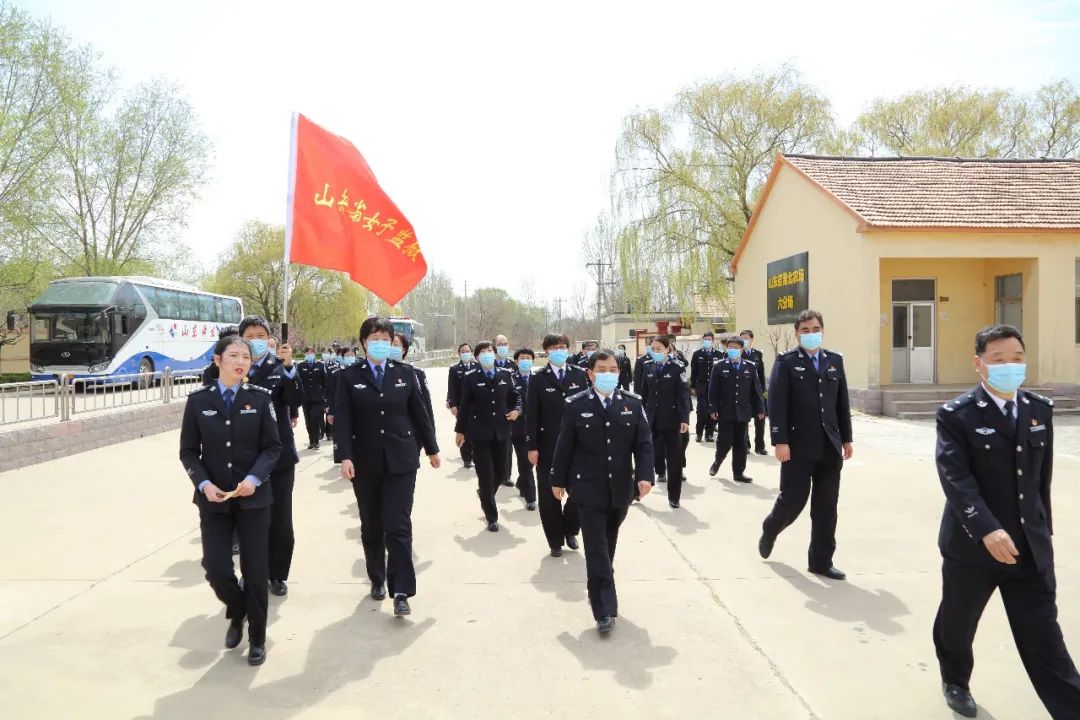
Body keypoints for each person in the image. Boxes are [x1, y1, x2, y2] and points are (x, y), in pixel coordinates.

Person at [932, 324, 1080, 719]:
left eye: (1016, 358)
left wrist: (1042, 533)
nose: (1009, 367)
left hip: (1028, 550)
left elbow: (1038, 481)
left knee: (1045, 639)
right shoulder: (956, 415)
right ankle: (955, 681)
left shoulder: (1038, 410)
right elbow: (955, 479)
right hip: (972, 548)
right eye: (998, 360)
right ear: (979, 364)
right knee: (957, 625)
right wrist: (986, 528)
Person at [179, 335, 282, 666]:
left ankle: (257, 638)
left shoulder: (260, 398)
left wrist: (254, 479)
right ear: (217, 359)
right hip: (214, 500)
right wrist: (204, 483)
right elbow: (189, 452)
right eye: (234, 355)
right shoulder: (198, 401)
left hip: (254, 500)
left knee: (255, 570)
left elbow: (272, 447)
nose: (241, 362)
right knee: (217, 568)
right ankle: (237, 611)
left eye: (246, 357)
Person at [335, 317, 441, 617]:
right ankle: (377, 577)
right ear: (364, 343)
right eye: (374, 337)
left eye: (385, 337)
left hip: (402, 459)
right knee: (372, 525)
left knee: (398, 523)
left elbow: (420, 414)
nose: (380, 342)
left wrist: (432, 449)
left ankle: (402, 590)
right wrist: (344, 456)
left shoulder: (405, 374)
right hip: (364, 461)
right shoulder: (349, 377)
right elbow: (342, 420)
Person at [551, 350, 654, 634]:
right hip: (586, 489)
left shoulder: (632, 405)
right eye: (601, 369)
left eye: (613, 369)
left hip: (620, 490)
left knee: (607, 548)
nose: (607, 373)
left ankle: (602, 589)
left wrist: (646, 476)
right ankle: (604, 610)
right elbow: (564, 446)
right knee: (596, 550)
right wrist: (556, 480)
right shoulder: (575, 405)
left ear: (619, 373)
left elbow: (643, 443)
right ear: (591, 373)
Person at [758, 309, 852, 581]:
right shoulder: (786, 362)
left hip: (829, 447)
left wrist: (846, 438)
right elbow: (776, 404)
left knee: (826, 508)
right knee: (792, 501)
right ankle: (771, 527)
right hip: (797, 447)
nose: (811, 334)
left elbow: (841, 403)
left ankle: (821, 561)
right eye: (805, 330)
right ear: (797, 333)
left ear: (823, 330)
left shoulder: (834, 361)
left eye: (815, 329)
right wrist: (780, 441)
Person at [239, 316, 303, 598]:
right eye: (249, 334)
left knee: (280, 523)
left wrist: (289, 368)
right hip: (244, 459)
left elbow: (295, 399)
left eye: (260, 334)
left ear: (269, 338)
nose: (256, 339)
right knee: (250, 523)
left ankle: (277, 574)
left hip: (278, 457)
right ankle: (252, 574)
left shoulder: (280, 367)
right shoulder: (233, 368)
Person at [527, 333, 587, 556]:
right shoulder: (538, 378)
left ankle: (570, 530)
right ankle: (554, 541)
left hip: (577, 447)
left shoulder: (580, 375)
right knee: (548, 497)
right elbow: (531, 415)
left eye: (562, 346)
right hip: (547, 447)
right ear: (546, 351)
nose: (559, 350)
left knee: (579, 493)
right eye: (554, 347)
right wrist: (531, 446)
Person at [455, 341, 521, 532]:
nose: (487, 354)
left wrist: (517, 410)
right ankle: (491, 515)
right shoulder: (471, 377)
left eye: (489, 351)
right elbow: (464, 406)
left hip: (502, 431)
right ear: (476, 357)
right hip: (479, 433)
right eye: (482, 352)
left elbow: (515, 397)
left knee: (501, 473)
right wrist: (460, 431)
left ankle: (485, 494)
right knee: (485, 474)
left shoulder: (505, 375)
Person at [640, 335, 691, 507]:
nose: (655, 352)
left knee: (674, 460)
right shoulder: (647, 366)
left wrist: (684, 418)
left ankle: (674, 497)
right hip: (651, 418)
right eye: (653, 349)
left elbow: (683, 395)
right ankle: (636, 492)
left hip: (672, 420)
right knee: (645, 455)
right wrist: (640, 415)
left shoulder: (677, 367)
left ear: (668, 349)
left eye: (659, 349)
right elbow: (644, 394)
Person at [708, 336, 764, 483]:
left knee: (741, 443)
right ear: (726, 348)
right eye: (730, 347)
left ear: (742, 349)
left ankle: (738, 472)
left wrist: (760, 409)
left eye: (736, 348)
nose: (733, 350)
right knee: (725, 441)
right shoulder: (719, 366)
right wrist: (713, 407)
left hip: (743, 412)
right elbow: (713, 390)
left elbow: (756, 390)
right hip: (725, 411)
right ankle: (717, 462)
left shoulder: (750, 367)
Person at [391, 332, 435, 453]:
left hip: (411, 435)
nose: (391, 347)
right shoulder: (377, 375)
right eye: (388, 344)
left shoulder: (416, 373)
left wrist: (430, 439)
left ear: (404, 349)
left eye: (395, 344)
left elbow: (426, 407)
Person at [511, 348, 536, 510]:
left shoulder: (539, 379)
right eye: (522, 358)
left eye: (528, 357)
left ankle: (521, 483)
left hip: (536, 428)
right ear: (516, 361)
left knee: (531, 462)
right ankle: (531, 497)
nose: (525, 360)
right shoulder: (510, 379)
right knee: (524, 461)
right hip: (518, 427)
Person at [493, 334, 518, 487]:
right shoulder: (487, 365)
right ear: (495, 346)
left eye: (505, 343)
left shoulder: (513, 365)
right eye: (500, 343)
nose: (503, 346)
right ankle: (494, 474)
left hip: (510, 413)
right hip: (493, 412)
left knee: (507, 447)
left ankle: (505, 475)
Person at [447, 343, 477, 469]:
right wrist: (452, 404)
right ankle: (466, 458)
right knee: (463, 430)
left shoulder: (477, 366)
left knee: (475, 431)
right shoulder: (454, 369)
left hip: (475, 405)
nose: (465, 353)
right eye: (463, 351)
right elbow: (452, 388)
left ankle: (475, 454)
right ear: (459, 354)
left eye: (467, 351)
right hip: (461, 406)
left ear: (471, 352)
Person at [741, 330, 769, 455]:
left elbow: (761, 374)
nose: (744, 340)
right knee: (744, 420)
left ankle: (760, 446)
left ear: (752, 339)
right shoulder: (738, 354)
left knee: (760, 419)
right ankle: (745, 445)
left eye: (746, 338)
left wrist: (763, 392)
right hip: (744, 392)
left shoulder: (758, 354)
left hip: (757, 392)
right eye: (742, 338)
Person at [690, 331, 720, 443]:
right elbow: (694, 371)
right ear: (702, 340)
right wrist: (692, 386)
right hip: (701, 387)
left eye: (709, 339)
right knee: (702, 410)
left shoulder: (718, 354)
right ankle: (699, 433)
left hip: (714, 388)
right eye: (705, 339)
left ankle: (709, 433)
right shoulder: (697, 354)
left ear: (713, 341)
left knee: (712, 411)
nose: (707, 341)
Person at [297, 345, 328, 450]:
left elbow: (325, 382)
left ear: (314, 354)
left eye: (311, 353)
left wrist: (325, 397)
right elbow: (298, 382)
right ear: (305, 354)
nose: (309, 355)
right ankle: (311, 441)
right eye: (307, 353)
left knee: (314, 418)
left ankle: (316, 440)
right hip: (305, 398)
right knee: (308, 421)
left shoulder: (320, 365)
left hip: (318, 398)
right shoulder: (300, 366)